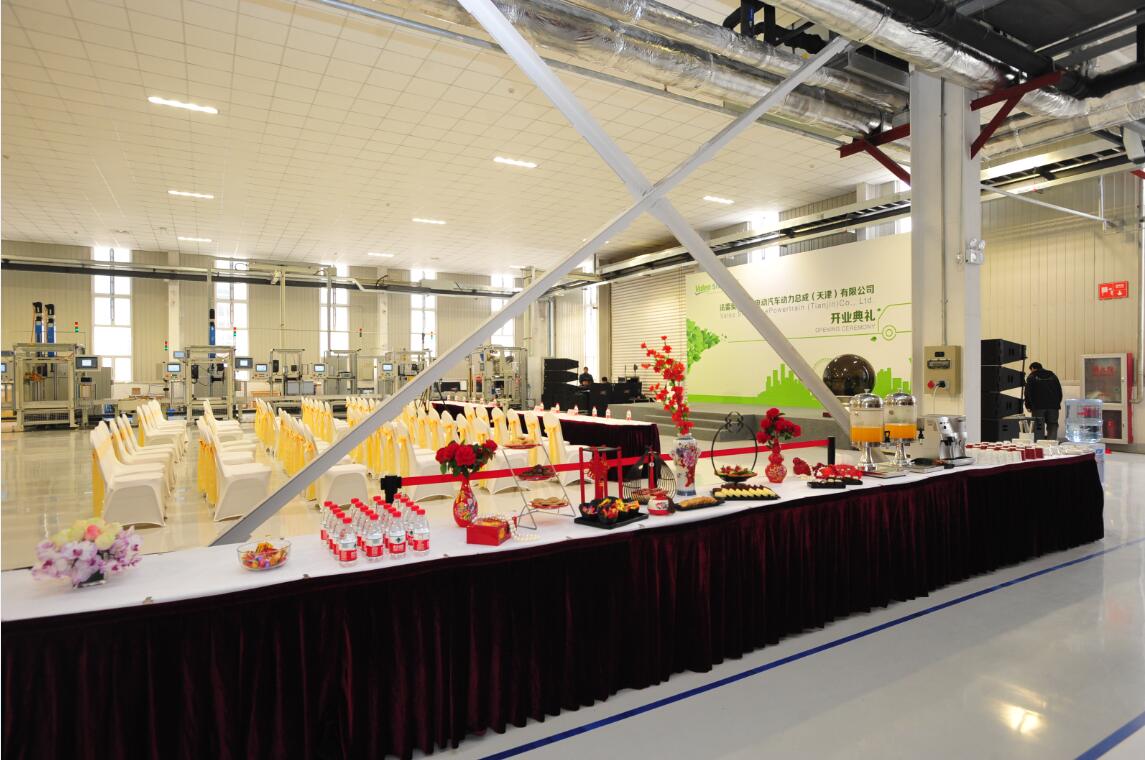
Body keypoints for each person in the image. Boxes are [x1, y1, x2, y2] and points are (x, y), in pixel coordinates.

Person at [1024, 361, 1063, 439]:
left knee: (1038, 426)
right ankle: (1052, 442)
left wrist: (1028, 405)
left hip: (1038, 406)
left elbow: (1028, 393)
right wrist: (1057, 403)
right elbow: (1059, 391)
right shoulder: (1053, 376)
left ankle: (1039, 443)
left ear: (1032, 368)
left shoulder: (1031, 377)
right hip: (1053, 406)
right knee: (1052, 424)